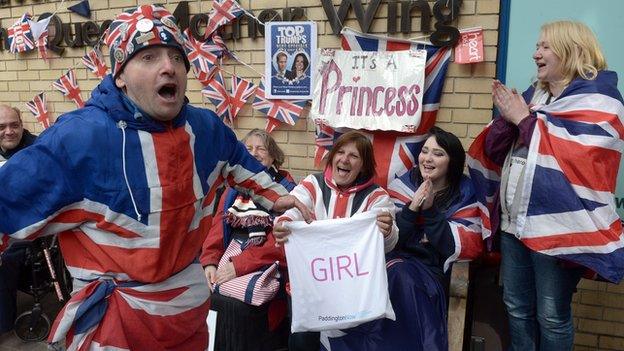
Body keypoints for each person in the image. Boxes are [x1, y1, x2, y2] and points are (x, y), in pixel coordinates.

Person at [0, 5, 311, 350]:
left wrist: (279, 197)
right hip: (114, 323)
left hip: (187, 316)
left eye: (176, 58)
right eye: (148, 57)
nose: (168, 67)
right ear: (120, 75)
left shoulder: (205, 128)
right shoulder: (78, 138)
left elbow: (240, 162)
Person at [468, 21, 624, 351]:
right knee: (516, 307)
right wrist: (509, 117)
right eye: (537, 46)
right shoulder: (533, 96)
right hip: (516, 226)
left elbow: (579, 160)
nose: (535, 53)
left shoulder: (599, 100)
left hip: (559, 226)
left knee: (551, 315)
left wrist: (525, 120)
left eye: (544, 47)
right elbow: (496, 151)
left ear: (572, 51)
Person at [318, 127, 484, 350]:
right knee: (387, 274)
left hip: (430, 271)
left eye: (438, 153)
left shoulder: (464, 193)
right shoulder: (402, 185)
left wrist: (431, 210)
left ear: (452, 162)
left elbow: (460, 245)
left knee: (400, 275)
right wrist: (413, 208)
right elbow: (392, 239)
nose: (428, 158)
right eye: (425, 151)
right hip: (391, 261)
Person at [273, 131, 399, 351]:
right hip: (310, 287)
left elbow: (389, 244)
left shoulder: (377, 197)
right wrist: (283, 224)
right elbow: (295, 210)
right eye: (340, 152)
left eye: (354, 156)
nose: (344, 159)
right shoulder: (312, 184)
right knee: (303, 343)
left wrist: (387, 231)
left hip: (354, 292)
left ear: (364, 165)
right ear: (331, 157)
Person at [200, 129, 296, 351]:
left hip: (265, 265)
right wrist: (210, 263)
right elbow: (217, 229)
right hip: (228, 259)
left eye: (261, 149)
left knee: (237, 307)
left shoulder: (288, 190)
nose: (254, 153)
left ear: (273, 156)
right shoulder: (233, 190)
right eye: (248, 149)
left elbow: (281, 246)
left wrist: (239, 266)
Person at [0, 105, 37, 335]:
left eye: (14, 125)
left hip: (26, 225)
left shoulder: (37, 150)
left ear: (22, 125)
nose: (9, 131)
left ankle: (3, 324)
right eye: (1, 127)